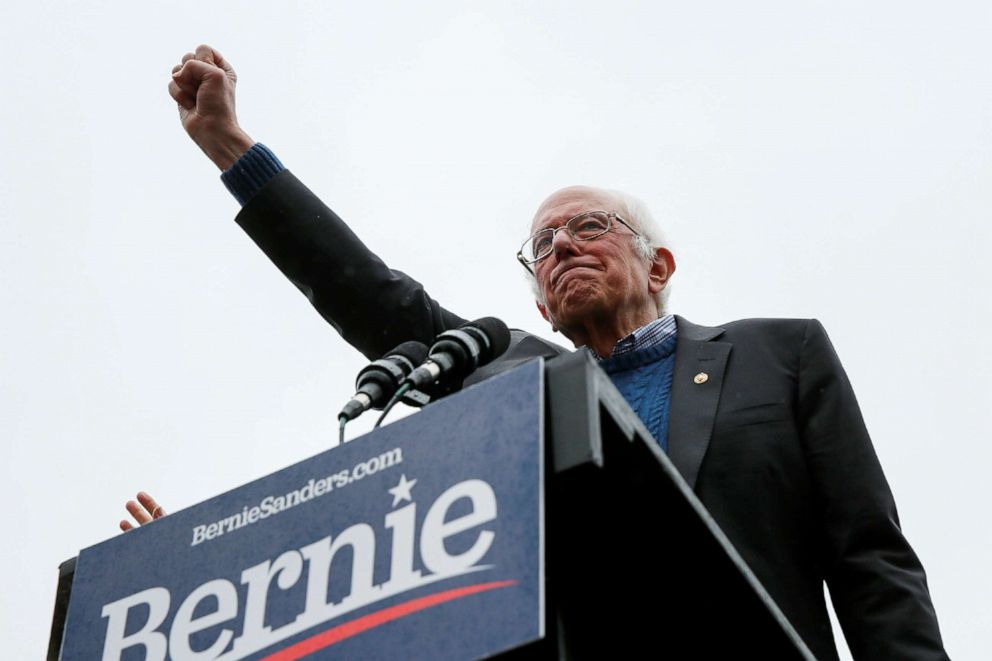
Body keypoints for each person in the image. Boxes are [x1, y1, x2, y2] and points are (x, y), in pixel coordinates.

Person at [124, 45, 948, 659]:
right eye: (542, 244)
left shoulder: (782, 355)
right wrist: (234, 150)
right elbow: (367, 292)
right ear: (539, 303)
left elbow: (872, 559)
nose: (561, 246)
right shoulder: (505, 374)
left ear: (658, 263)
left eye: (589, 226)